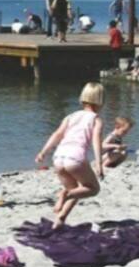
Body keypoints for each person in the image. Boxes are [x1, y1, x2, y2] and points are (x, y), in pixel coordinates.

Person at [35, 82, 105, 229]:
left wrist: (43, 152)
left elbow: (57, 134)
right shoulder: (96, 119)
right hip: (75, 157)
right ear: (100, 100)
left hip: (59, 156)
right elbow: (96, 141)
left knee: (76, 190)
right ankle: (64, 195)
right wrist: (99, 164)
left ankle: (60, 220)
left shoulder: (70, 116)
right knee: (93, 189)